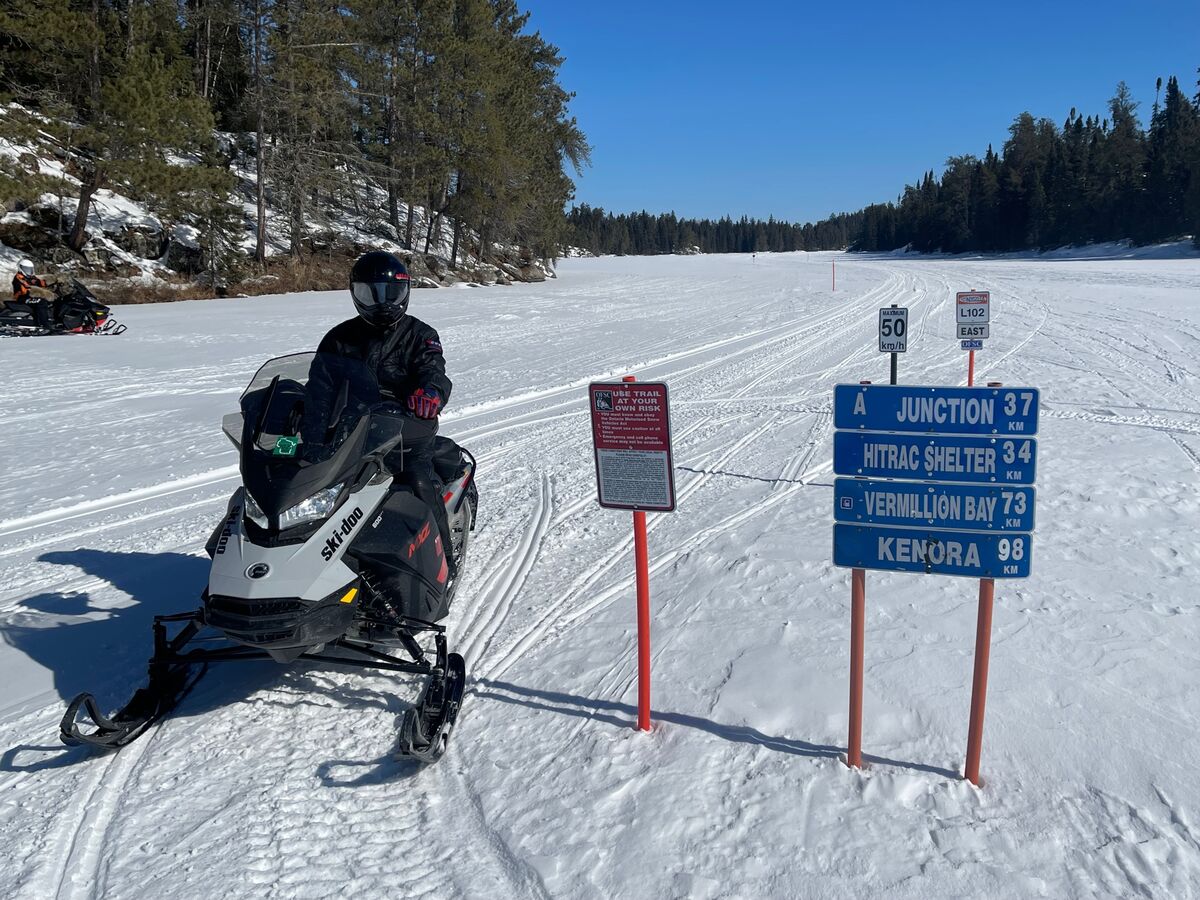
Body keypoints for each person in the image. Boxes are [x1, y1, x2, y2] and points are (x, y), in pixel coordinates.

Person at [305, 250, 457, 577]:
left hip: (406, 432)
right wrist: (304, 429)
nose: (382, 303)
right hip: (350, 435)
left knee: (418, 483)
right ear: (355, 294)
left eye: (391, 293)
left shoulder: (420, 335)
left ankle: (445, 562)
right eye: (370, 293)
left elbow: (434, 372)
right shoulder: (339, 339)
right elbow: (319, 389)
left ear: (405, 292)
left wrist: (430, 395)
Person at [11, 258, 53, 327]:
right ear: (20, 268)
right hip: (21, 298)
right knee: (41, 302)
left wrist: (50, 283)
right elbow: (26, 284)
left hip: (28, 297)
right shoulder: (19, 277)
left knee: (49, 302)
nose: (29, 271)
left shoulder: (30, 277)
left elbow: (40, 282)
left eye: (30, 269)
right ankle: (45, 324)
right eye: (26, 269)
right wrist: (33, 283)